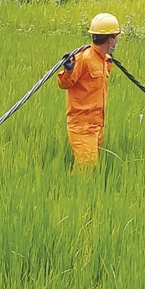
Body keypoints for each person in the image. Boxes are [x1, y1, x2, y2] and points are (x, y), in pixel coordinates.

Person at [56, 13, 119, 171]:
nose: (117, 41)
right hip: (82, 127)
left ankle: (71, 189)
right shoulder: (83, 58)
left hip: (98, 125)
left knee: (86, 170)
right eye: (116, 37)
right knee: (88, 170)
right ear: (110, 39)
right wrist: (68, 69)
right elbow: (64, 83)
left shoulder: (104, 59)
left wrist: (109, 61)